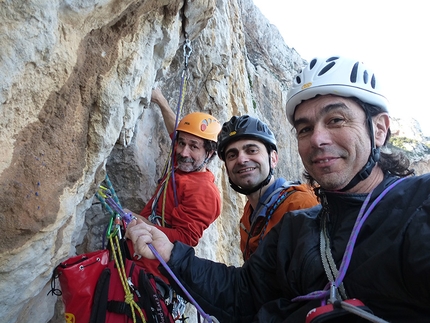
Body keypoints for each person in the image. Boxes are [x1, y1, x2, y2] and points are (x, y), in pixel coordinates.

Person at [126, 57, 430, 322]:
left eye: (336, 119)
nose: (318, 139)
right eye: (305, 129)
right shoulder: (296, 228)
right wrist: (170, 253)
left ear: (378, 129)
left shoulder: (418, 208)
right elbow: (243, 292)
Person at [125, 88, 222, 283]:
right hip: (135, 252)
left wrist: (136, 221)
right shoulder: (184, 163)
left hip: (151, 270)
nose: (183, 152)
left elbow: (184, 240)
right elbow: (175, 131)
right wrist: (160, 100)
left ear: (209, 153)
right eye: (181, 143)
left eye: (194, 146)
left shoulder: (205, 192)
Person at [217, 115, 318, 260]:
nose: (241, 159)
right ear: (227, 169)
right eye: (232, 155)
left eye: (252, 150)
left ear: (273, 159)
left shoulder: (301, 205)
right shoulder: (249, 215)